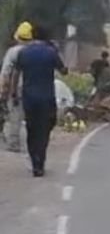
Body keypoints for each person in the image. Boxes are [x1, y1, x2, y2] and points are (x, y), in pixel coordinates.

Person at [6, 24, 66, 177]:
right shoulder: (51, 52)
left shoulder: (24, 53)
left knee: (32, 129)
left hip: (29, 98)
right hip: (47, 98)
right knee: (45, 129)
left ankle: (35, 163)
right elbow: (64, 71)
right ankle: (40, 161)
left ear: (33, 36)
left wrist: (13, 94)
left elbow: (15, 75)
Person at [0, 21, 34, 153]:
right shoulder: (34, 51)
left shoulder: (13, 52)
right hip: (32, 87)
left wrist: (3, 90)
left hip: (16, 88)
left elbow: (6, 72)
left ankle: (14, 143)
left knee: (15, 114)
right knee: (30, 116)